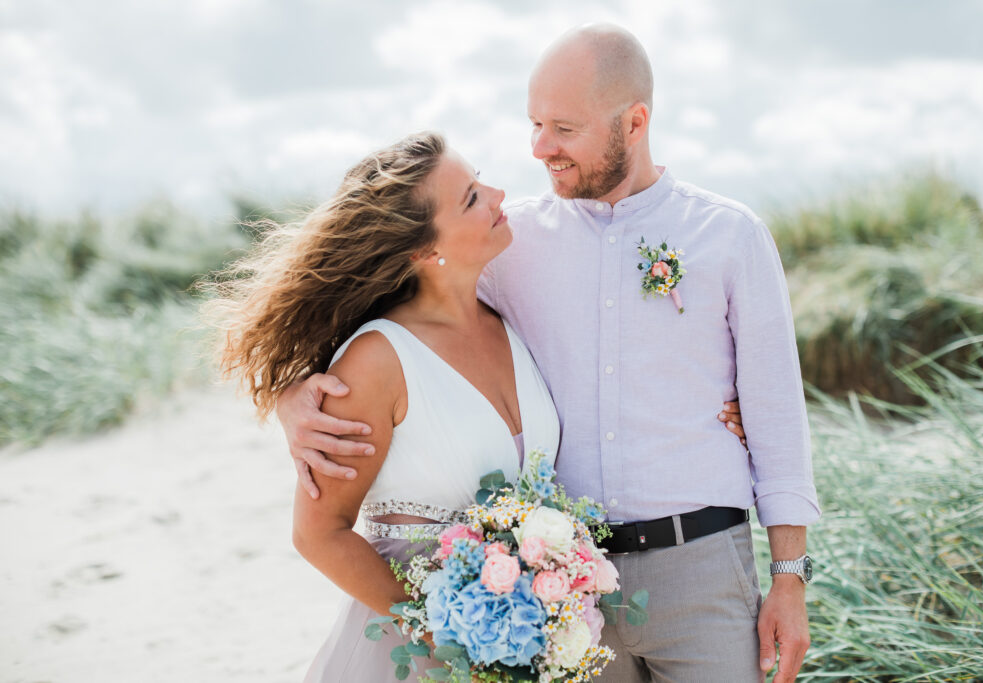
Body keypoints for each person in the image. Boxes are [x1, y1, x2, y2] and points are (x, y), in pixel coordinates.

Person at [278, 24, 820, 683]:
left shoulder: (730, 235)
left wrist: (789, 580)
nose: (539, 149)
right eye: (534, 123)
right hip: (562, 593)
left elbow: (778, 420)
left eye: (562, 128)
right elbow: (388, 306)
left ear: (635, 121)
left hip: (702, 566)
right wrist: (291, 395)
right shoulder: (512, 244)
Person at [207, 131, 747, 681]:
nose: (498, 195)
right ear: (423, 250)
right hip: (421, 645)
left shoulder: (506, 318)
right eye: (470, 197)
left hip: (518, 636)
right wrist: (442, 631)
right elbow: (319, 532)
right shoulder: (376, 360)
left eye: (480, 179)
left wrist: (720, 408)